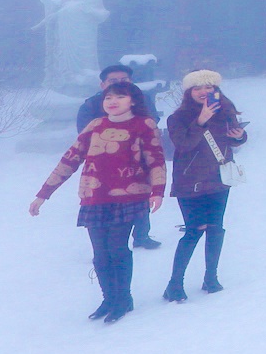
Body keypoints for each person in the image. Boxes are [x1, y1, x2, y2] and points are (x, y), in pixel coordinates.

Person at [30, 81, 166, 323]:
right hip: (94, 197)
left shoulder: (143, 125)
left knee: (117, 249)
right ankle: (109, 299)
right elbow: (70, 159)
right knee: (100, 254)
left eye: (119, 97)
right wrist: (43, 194)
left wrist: (158, 190)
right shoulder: (95, 126)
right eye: (108, 98)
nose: (112, 102)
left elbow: (156, 160)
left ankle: (123, 299)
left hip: (129, 196)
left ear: (132, 100)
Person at [163, 70, 245, 302]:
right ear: (189, 93)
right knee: (194, 230)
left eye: (209, 87)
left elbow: (232, 141)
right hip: (190, 181)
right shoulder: (177, 118)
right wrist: (200, 121)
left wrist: (239, 136)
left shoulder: (225, 112)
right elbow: (183, 144)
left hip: (219, 179)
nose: (203, 92)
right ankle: (174, 283)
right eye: (197, 88)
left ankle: (211, 277)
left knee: (216, 228)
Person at [76, 64, 162, 249]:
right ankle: (106, 250)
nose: (119, 84)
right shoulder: (91, 105)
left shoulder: (142, 99)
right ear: (102, 84)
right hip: (103, 168)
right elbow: (83, 138)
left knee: (139, 195)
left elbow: (153, 120)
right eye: (113, 81)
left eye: (124, 80)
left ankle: (141, 235)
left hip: (137, 161)